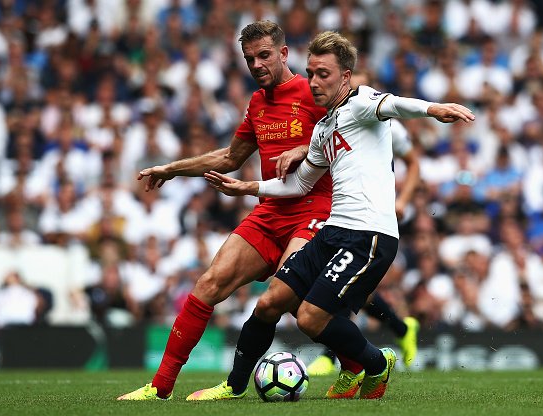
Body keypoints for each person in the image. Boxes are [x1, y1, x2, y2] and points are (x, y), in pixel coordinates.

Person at [199, 31, 474, 400]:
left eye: (323, 74)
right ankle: (233, 387)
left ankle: (376, 363)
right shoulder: (323, 129)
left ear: (345, 76)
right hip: (333, 231)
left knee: (311, 316)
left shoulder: (360, 102)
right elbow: (298, 186)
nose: (313, 82)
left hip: (369, 235)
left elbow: (393, 104)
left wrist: (433, 109)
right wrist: (248, 188)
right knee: (269, 303)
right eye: (310, 73)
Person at [117, 20, 333, 401]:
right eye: (250, 59)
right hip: (269, 213)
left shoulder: (313, 91)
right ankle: (160, 386)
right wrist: (172, 168)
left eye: (264, 55)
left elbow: (342, 136)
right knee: (208, 284)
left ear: (283, 53)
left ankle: (362, 362)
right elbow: (231, 157)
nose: (257, 65)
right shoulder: (257, 103)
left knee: (289, 301)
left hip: (313, 210)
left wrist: (305, 149)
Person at [306, 70, 421, 377]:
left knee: (340, 286)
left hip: (372, 215)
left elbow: (414, 163)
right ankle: (400, 327)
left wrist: (403, 200)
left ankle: (331, 357)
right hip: (339, 212)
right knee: (350, 288)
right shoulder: (334, 121)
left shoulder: (383, 122)